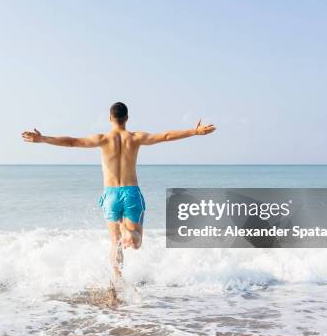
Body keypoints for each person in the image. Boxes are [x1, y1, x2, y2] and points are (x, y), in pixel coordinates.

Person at [22, 102, 216, 278]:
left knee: (115, 242)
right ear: (127, 118)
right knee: (137, 243)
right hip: (131, 192)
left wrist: (43, 138)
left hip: (111, 194)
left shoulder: (103, 139)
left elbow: (72, 142)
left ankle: (117, 280)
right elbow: (165, 136)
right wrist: (194, 131)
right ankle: (131, 234)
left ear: (110, 118)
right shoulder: (135, 138)